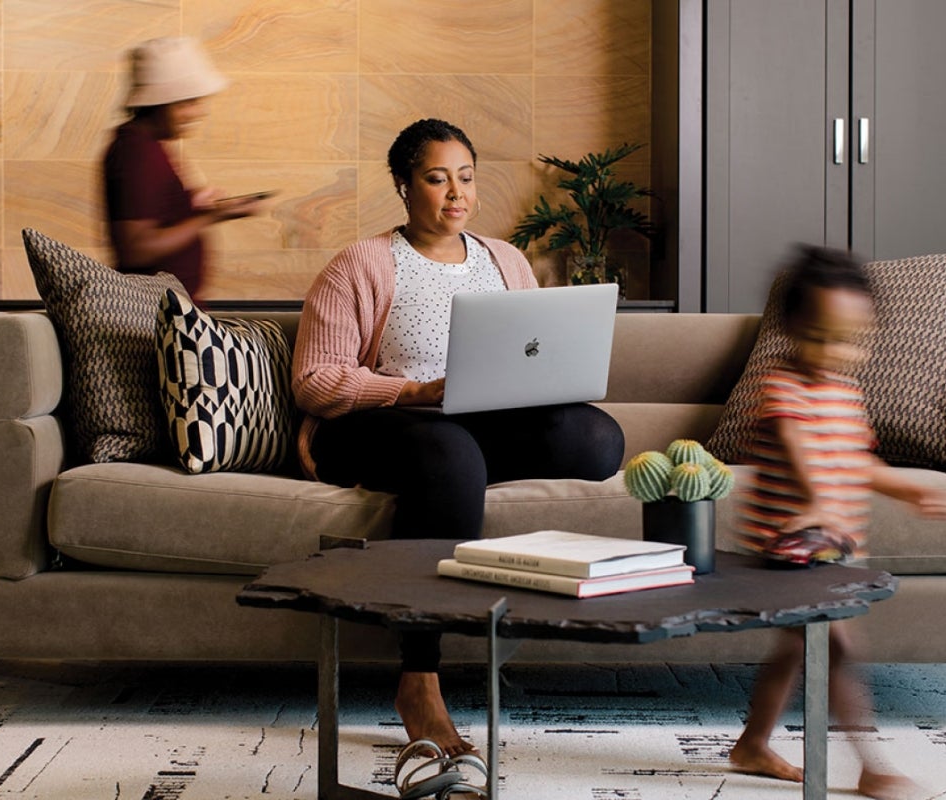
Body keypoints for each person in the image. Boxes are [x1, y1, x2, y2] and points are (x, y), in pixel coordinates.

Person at [291, 118, 626, 758]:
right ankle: (419, 679)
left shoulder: (506, 259)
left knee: (595, 438)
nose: (456, 194)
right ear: (402, 185)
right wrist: (416, 392)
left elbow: (533, 352)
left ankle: (464, 462)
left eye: (466, 178)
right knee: (448, 453)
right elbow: (313, 381)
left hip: (474, 423)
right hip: (379, 423)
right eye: (436, 178)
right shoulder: (361, 263)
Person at [727, 245, 946, 800]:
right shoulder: (781, 386)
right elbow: (797, 444)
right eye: (823, 336)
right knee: (838, 649)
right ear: (790, 328)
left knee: (795, 651)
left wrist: (910, 489)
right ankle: (870, 765)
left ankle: (752, 744)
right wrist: (815, 500)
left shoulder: (846, 391)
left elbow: (857, 461)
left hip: (836, 548)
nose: (837, 352)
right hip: (794, 548)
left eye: (852, 339)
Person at [103, 36, 268, 303]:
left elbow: (152, 215)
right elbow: (136, 248)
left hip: (170, 314)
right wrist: (209, 218)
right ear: (158, 104)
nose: (197, 113)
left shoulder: (148, 148)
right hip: (153, 319)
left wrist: (191, 205)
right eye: (187, 103)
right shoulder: (136, 152)